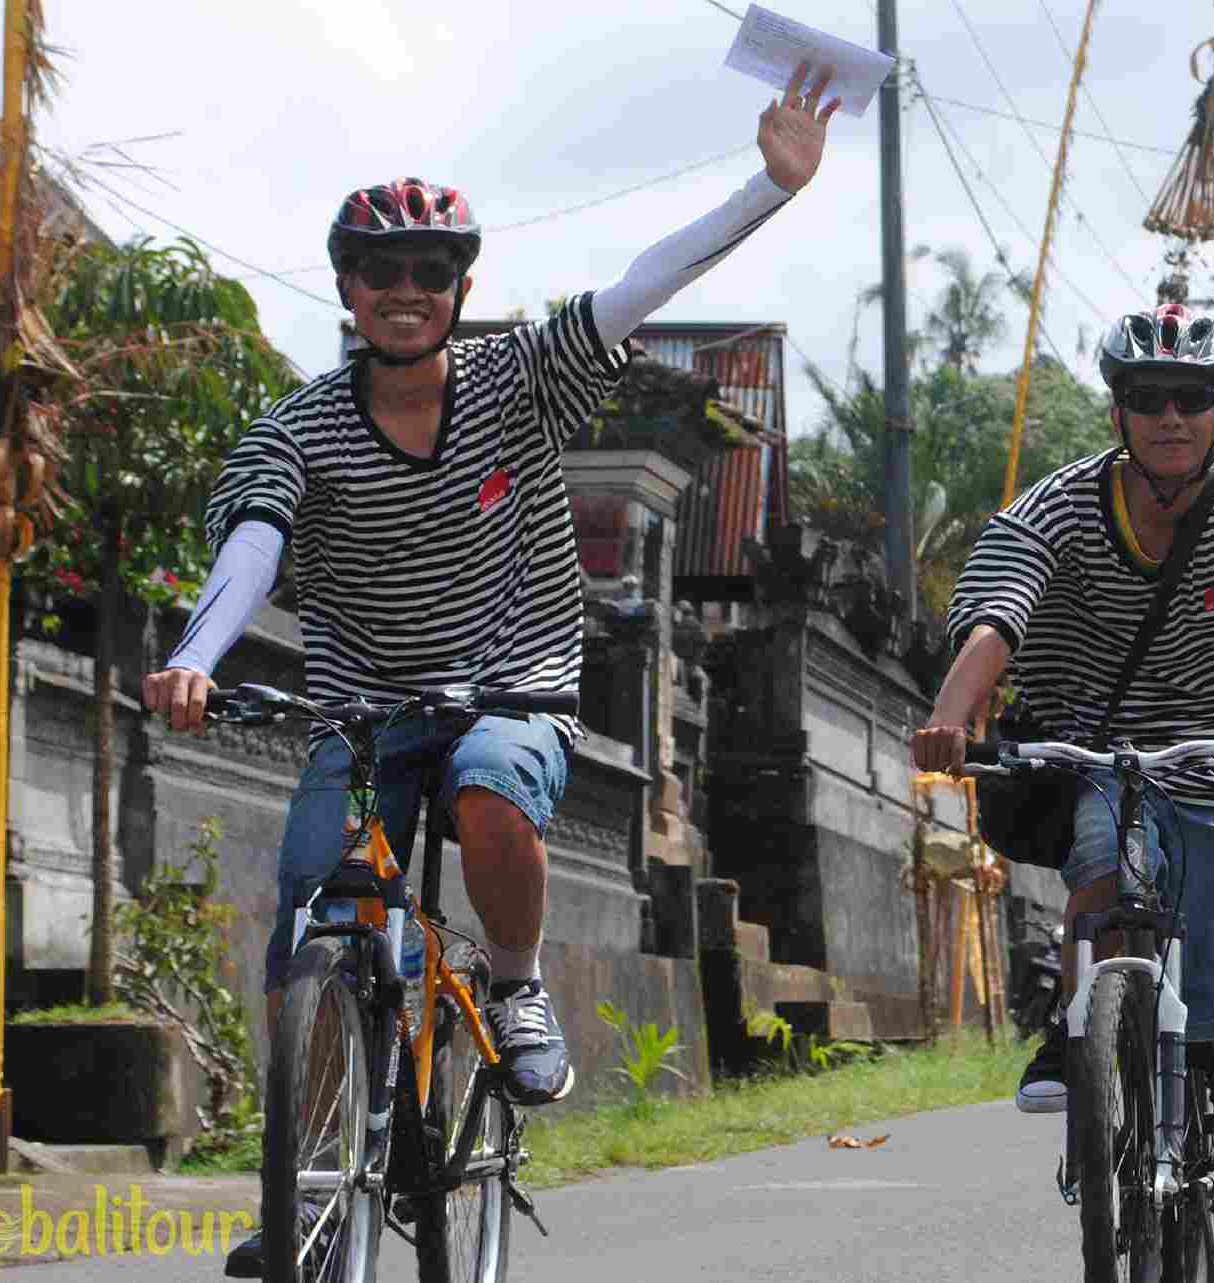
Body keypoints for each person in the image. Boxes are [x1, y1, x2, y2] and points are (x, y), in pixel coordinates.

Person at [141, 65, 844, 1279]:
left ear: (462, 289)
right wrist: (195, 655)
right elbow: (250, 545)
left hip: (512, 680)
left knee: (485, 792)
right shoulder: (295, 430)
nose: (405, 292)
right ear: (348, 288)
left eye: (430, 272)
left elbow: (641, 288)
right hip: (361, 706)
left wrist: (768, 189)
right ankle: (309, 1178)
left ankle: (514, 985)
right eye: (379, 271)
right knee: (313, 915)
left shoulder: (520, 380)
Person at [912, 301, 1214, 1282]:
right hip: (1101, 756)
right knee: (1099, 872)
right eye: (1149, 398)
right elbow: (995, 616)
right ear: (1119, 410)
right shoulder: (1053, 507)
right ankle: (1087, 1036)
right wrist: (949, 715)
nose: (1170, 417)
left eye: (1193, 397)